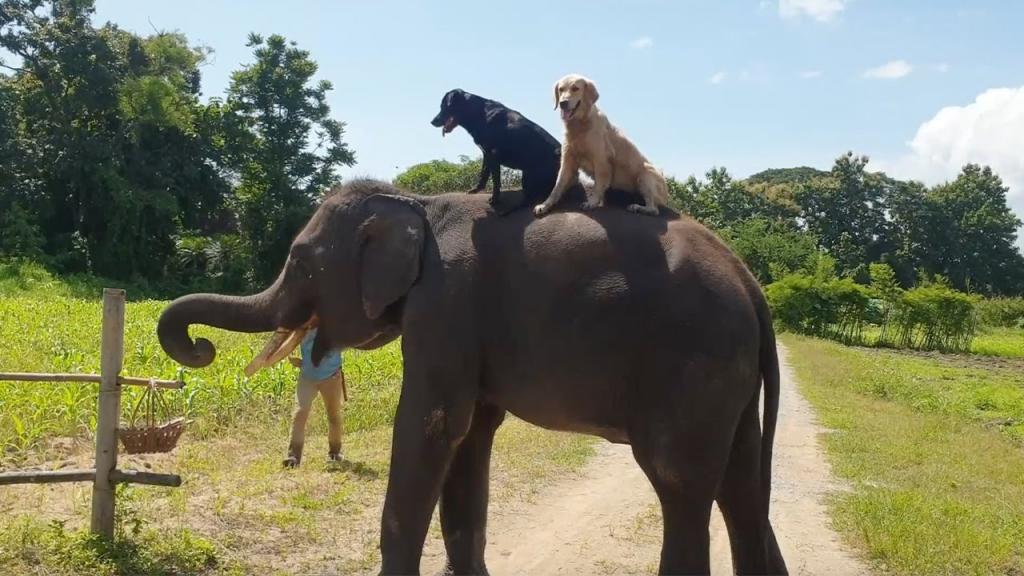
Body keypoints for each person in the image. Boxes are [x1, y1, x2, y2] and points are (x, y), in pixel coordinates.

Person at [283, 327, 346, 467]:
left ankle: (335, 453)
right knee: (300, 412)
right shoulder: (302, 324)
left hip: (331, 376)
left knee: (333, 415)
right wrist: (296, 360)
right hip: (307, 376)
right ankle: (293, 457)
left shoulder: (332, 322)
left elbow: (345, 342)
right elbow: (289, 341)